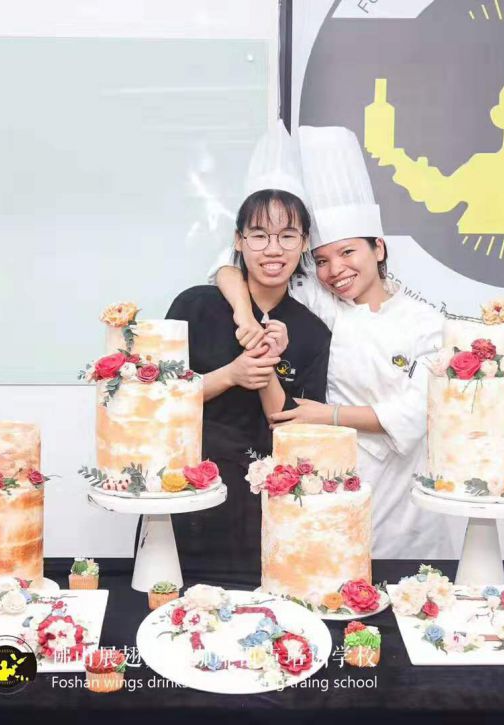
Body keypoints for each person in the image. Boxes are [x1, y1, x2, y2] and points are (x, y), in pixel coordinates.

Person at [209, 125, 457, 560]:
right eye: (321, 260)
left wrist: (328, 415)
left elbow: (417, 412)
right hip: (329, 484)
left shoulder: (427, 323)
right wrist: (245, 315)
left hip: (403, 499)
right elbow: (229, 269)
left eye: (348, 252)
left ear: (378, 248)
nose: (335, 270)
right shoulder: (322, 303)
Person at [165, 126, 331, 581]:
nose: (273, 250)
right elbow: (154, 402)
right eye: (259, 235)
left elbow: (295, 429)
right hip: (183, 486)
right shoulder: (194, 306)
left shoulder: (312, 332)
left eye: (287, 236)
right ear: (238, 241)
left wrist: (267, 367)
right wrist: (231, 374)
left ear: (304, 244)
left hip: (261, 498)